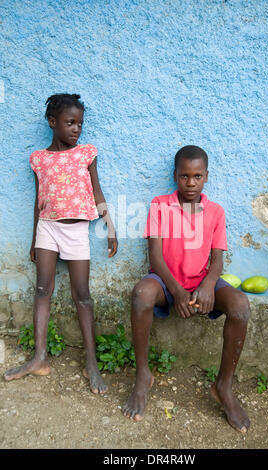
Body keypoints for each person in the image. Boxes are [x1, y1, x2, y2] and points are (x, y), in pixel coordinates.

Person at [122, 145, 250, 433]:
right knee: (141, 295)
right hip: (167, 283)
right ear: (175, 176)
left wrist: (207, 285)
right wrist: (177, 292)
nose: (190, 183)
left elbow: (217, 259)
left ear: (206, 177)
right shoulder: (159, 205)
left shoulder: (215, 212)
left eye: (197, 176)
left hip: (202, 281)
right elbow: (155, 256)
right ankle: (143, 376)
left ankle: (224, 386)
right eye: (184, 176)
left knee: (240, 305)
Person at [4, 93, 118, 394]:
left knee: (83, 295)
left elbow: (97, 193)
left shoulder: (86, 155)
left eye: (79, 123)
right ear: (53, 123)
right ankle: (39, 358)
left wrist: (111, 227)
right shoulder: (39, 159)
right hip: (47, 230)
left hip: (77, 231)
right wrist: (33, 239)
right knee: (42, 289)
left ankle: (91, 363)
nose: (76, 129)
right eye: (70, 123)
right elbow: (38, 202)